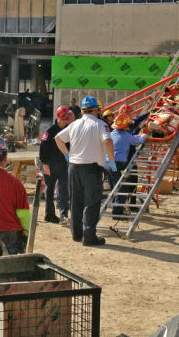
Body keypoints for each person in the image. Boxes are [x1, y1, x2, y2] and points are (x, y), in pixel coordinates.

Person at [55, 96, 115, 247]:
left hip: (74, 167)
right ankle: (89, 236)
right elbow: (108, 140)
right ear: (96, 110)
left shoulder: (75, 124)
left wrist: (67, 155)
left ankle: (76, 234)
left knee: (76, 201)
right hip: (91, 168)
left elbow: (58, 138)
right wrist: (112, 160)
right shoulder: (100, 124)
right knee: (92, 202)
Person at [38, 106, 71, 225]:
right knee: (50, 190)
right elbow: (43, 149)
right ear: (57, 117)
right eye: (62, 119)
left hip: (63, 165)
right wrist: (45, 164)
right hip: (50, 165)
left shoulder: (69, 130)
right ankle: (49, 215)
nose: (64, 121)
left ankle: (64, 215)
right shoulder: (50, 131)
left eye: (66, 119)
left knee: (63, 190)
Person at [109, 113, 147, 215]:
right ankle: (117, 212)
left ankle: (115, 207)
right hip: (119, 164)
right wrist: (143, 136)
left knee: (114, 186)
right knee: (122, 188)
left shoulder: (112, 133)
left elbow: (129, 138)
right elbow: (138, 141)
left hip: (108, 164)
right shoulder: (126, 136)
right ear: (126, 126)